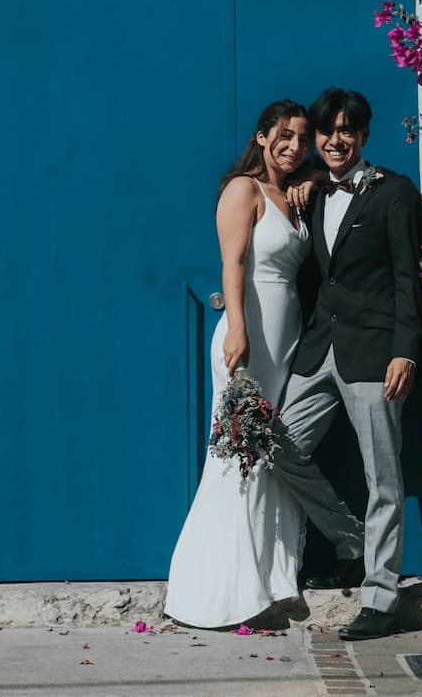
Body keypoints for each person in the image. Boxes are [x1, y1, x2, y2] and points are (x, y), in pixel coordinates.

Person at [276, 87, 422, 641]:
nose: (335, 140)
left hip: (377, 354)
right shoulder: (312, 193)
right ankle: (350, 537)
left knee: (383, 479)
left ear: (362, 135)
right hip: (319, 352)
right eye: (326, 131)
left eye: (346, 130)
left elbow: (409, 278)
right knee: (273, 445)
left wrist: (405, 348)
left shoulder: (394, 193)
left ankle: (382, 599)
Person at [165, 99, 314, 628]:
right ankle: (214, 594)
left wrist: (311, 187)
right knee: (236, 458)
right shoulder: (243, 190)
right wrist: (237, 329)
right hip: (247, 338)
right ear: (262, 135)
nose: (294, 146)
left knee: (271, 457)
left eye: (302, 138)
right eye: (286, 136)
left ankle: (270, 580)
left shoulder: (294, 193)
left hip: (287, 343)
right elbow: (232, 263)